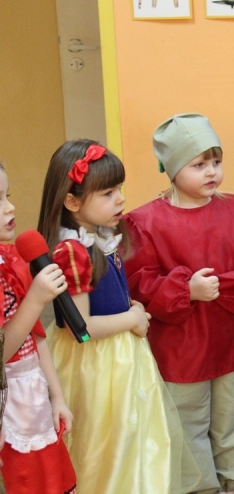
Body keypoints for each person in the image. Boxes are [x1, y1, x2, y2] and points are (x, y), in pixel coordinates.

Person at [124, 114, 234, 494]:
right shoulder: (145, 223)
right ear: (172, 169)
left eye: (216, 161)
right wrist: (186, 290)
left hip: (231, 344)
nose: (211, 172)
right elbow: (140, 282)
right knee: (185, 427)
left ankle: (232, 485)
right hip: (179, 351)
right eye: (198, 164)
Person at [38, 139, 198, 493]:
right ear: (72, 202)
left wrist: (132, 310)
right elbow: (82, 329)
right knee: (105, 444)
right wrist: (132, 319)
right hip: (95, 364)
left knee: (135, 439)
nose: (120, 199)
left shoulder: (100, 237)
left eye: (119, 189)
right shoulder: (72, 252)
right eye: (108, 193)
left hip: (120, 358)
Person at [0, 160, 76, 493]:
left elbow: (36, 336)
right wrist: (34, 300)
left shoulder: (12, 259)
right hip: (7, 403)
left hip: (34, 397)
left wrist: (56, 396)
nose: (10, 207)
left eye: (7, 195)